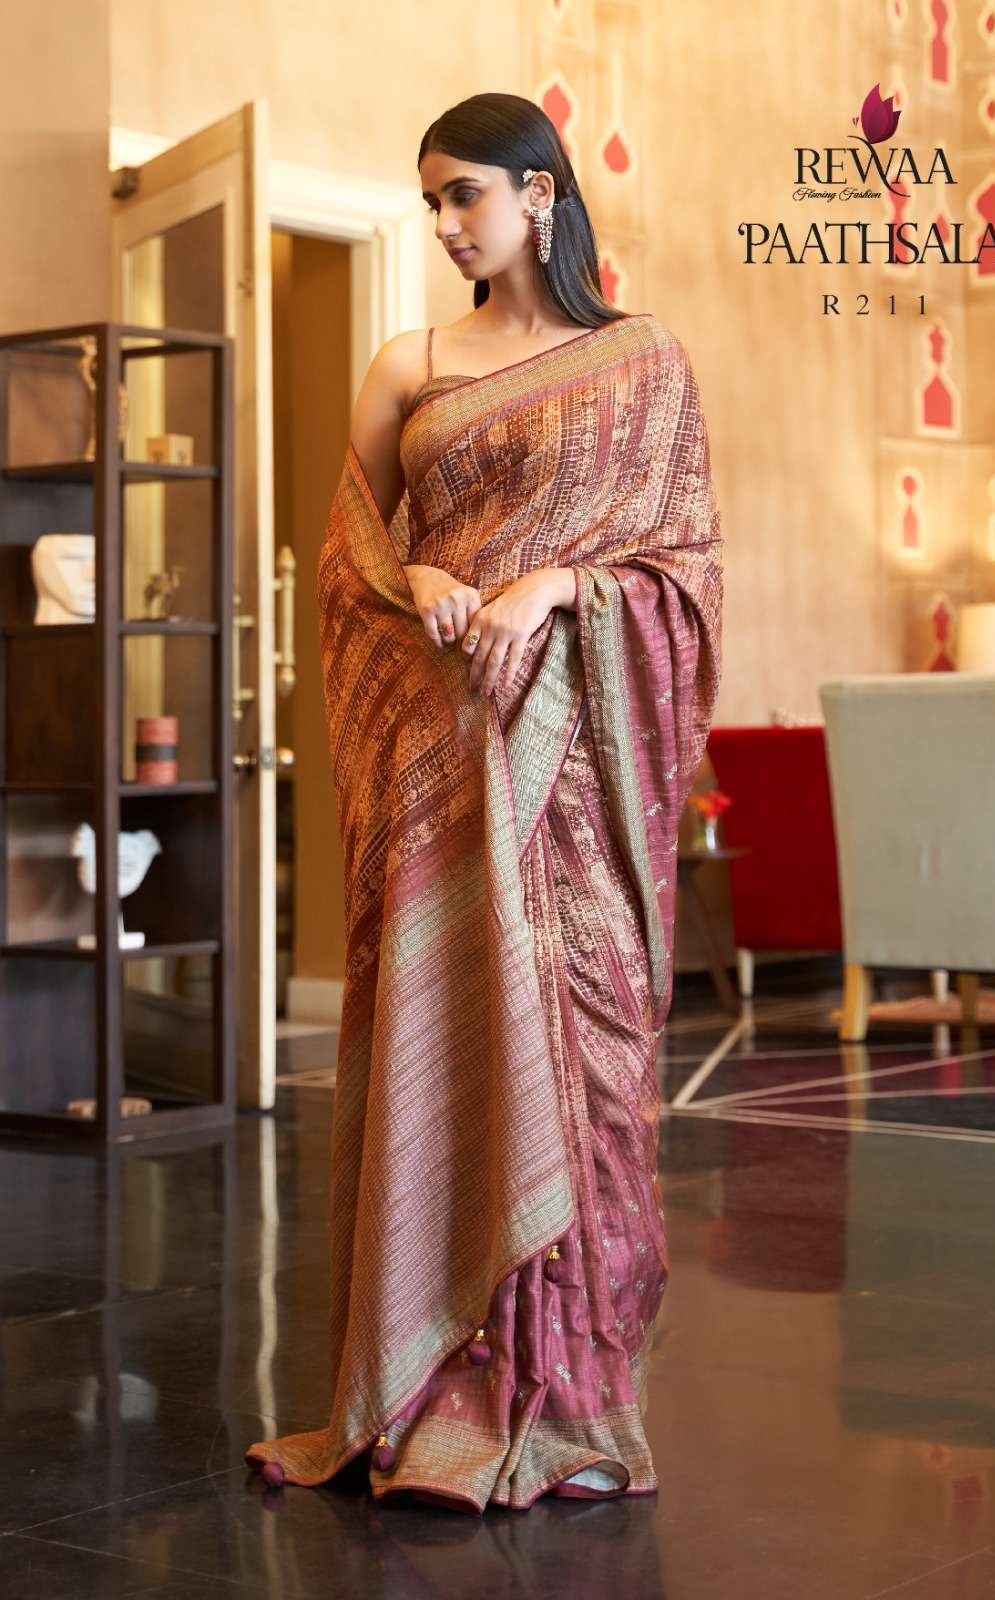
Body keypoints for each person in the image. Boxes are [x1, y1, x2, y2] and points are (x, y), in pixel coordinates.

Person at [245, 91, 723, 1514]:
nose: (448, 224)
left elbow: (685, 571)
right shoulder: (410, 364)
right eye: (431, 201)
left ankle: (571, 1400)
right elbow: (347, 565)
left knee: (590, 1077)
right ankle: (431, 1383)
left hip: (575, 778)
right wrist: (429, 575)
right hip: (444, 765)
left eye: (466, 194)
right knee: (444, 1049)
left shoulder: (642, 362)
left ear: (540, 194)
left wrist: (559, 583)